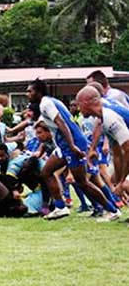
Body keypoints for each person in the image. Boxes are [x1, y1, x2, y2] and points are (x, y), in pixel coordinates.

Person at [28, 79, 119, 221]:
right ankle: (60, 207)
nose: (27, 94)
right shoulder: (50, 102)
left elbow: (61, 123)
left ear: (38, 92)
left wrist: (72, 146)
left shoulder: (46, 103)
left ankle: (112, 210)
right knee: (46, 172)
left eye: (30, 91)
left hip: (71, 144)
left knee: (82, 182)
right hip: (66, 144)